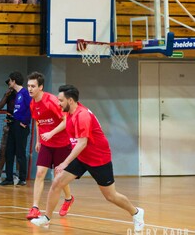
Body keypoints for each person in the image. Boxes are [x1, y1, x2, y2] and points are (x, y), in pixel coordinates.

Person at [31, 84, 145, 233]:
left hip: (98, 158)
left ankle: (136, 213)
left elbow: (82, 143)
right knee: (57, 183)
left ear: (70, 100)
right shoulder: (69, 113)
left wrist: (65, 162)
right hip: (82, 157)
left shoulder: (82, 115)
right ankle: (46, 219)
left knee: (110, 196)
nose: (58, 103)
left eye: (61, 101)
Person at [25, 72, 73, 220]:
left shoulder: (51, 101)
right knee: (40, 174)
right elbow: (38, 122)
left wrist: (51, 133)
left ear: (41, 87)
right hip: (46, 143)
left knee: (59, 177)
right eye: (28, 86)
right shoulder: (33, 103)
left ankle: (68, 198)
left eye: (33, 86)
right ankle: (34, 208)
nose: (30, 89)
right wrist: (39, 140)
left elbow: (67, 121)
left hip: (61, 143)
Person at [0, 71, 31, 186]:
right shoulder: (15, 93)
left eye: (10, 80)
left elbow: (31, 108)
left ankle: (22, 178)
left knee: (20, 152)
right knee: (9, 152)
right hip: (13, 125)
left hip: (21, 126)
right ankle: (9, 178)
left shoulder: (25, 93)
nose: (9, 83)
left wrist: (25, 122)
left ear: (13, 81)